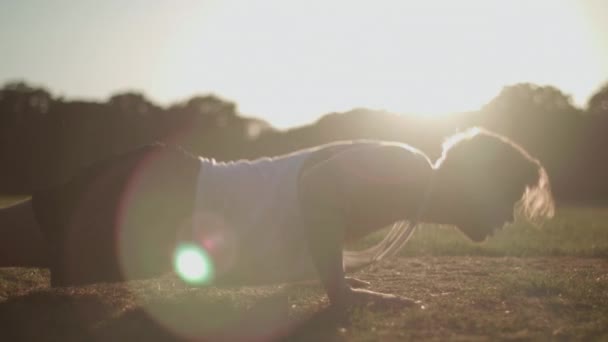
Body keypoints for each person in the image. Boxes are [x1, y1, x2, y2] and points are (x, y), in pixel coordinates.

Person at [0, 127, 554, 310]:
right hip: (162, 197)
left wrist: (335, 276)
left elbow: (305, 212)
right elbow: (318, 187)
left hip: (168, 220)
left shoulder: (408, 200)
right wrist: (338, 289)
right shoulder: (407, 166)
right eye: (506, 197)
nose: (508, 216)